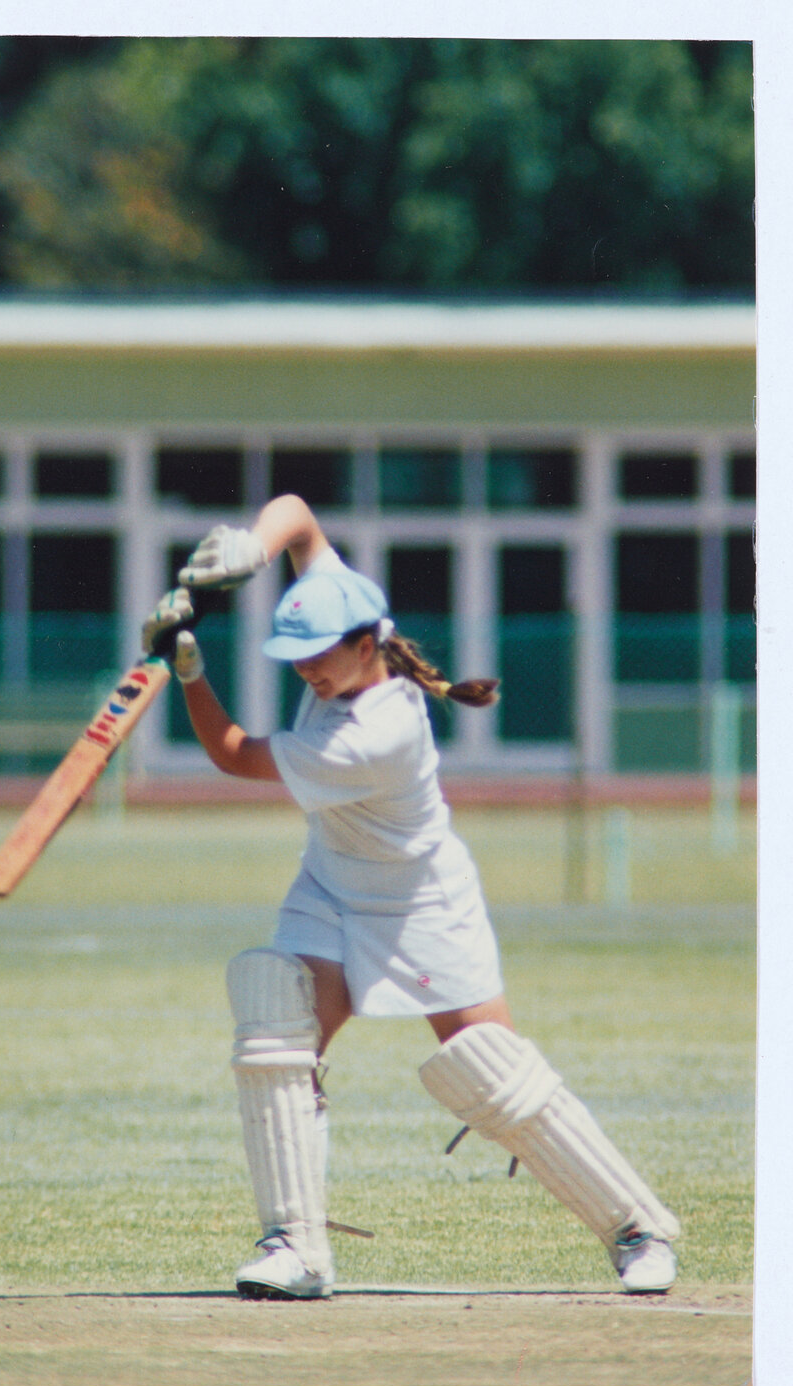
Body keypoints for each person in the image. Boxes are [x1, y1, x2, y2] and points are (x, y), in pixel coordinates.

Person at [142, 493, 679, 1302]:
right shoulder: (346, 617)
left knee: (494, 1074)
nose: (306, 670)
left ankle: (638, 1227)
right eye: (295, 653)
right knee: (276, 1028)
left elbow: (231, 754)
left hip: (423, 902)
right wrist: (253, 550)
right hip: (329, 883)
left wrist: (188, 670)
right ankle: (296, 1243)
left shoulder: (370, 734)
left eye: (319, 653)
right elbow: (299, 516)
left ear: (367, 645)